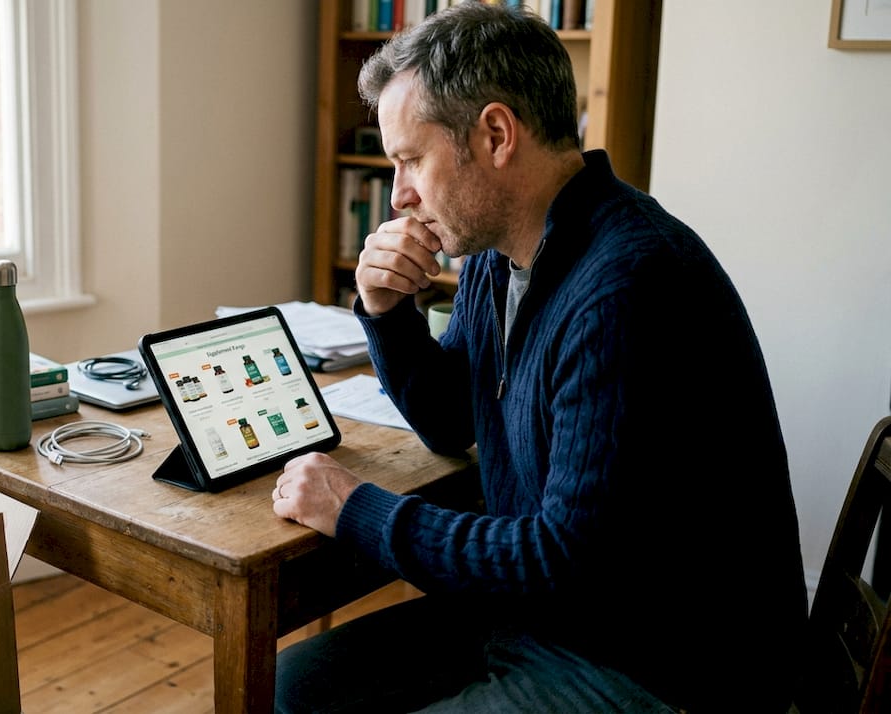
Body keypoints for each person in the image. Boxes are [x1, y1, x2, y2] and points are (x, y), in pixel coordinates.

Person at [270, 3, 807, 712]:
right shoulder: (504, 252)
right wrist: (385, 311)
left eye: (410, 160)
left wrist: (356, 510)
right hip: (552, 621)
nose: (399, 194)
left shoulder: (628, 286)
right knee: (291, 688)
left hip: (662, 667)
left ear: (495, 134)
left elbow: (562, 561)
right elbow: (449, 417)